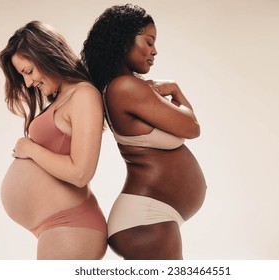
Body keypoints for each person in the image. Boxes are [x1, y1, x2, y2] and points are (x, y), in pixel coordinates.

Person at [81, 4, 207, 259]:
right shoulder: (125, 87)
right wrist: (176, 89)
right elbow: (192, 128)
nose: (154, 50)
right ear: (123, 40)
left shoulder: (122, 87)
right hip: (146, 221)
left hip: (150, 219)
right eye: (149, 41)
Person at [0, 21, 107, 259]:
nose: (28, 84)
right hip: (58, 227)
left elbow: (81, 173)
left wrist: (30, 149)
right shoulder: (62, 97)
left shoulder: (84, 94)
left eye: (28, 72)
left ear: (47, 55)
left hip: (72, 226)